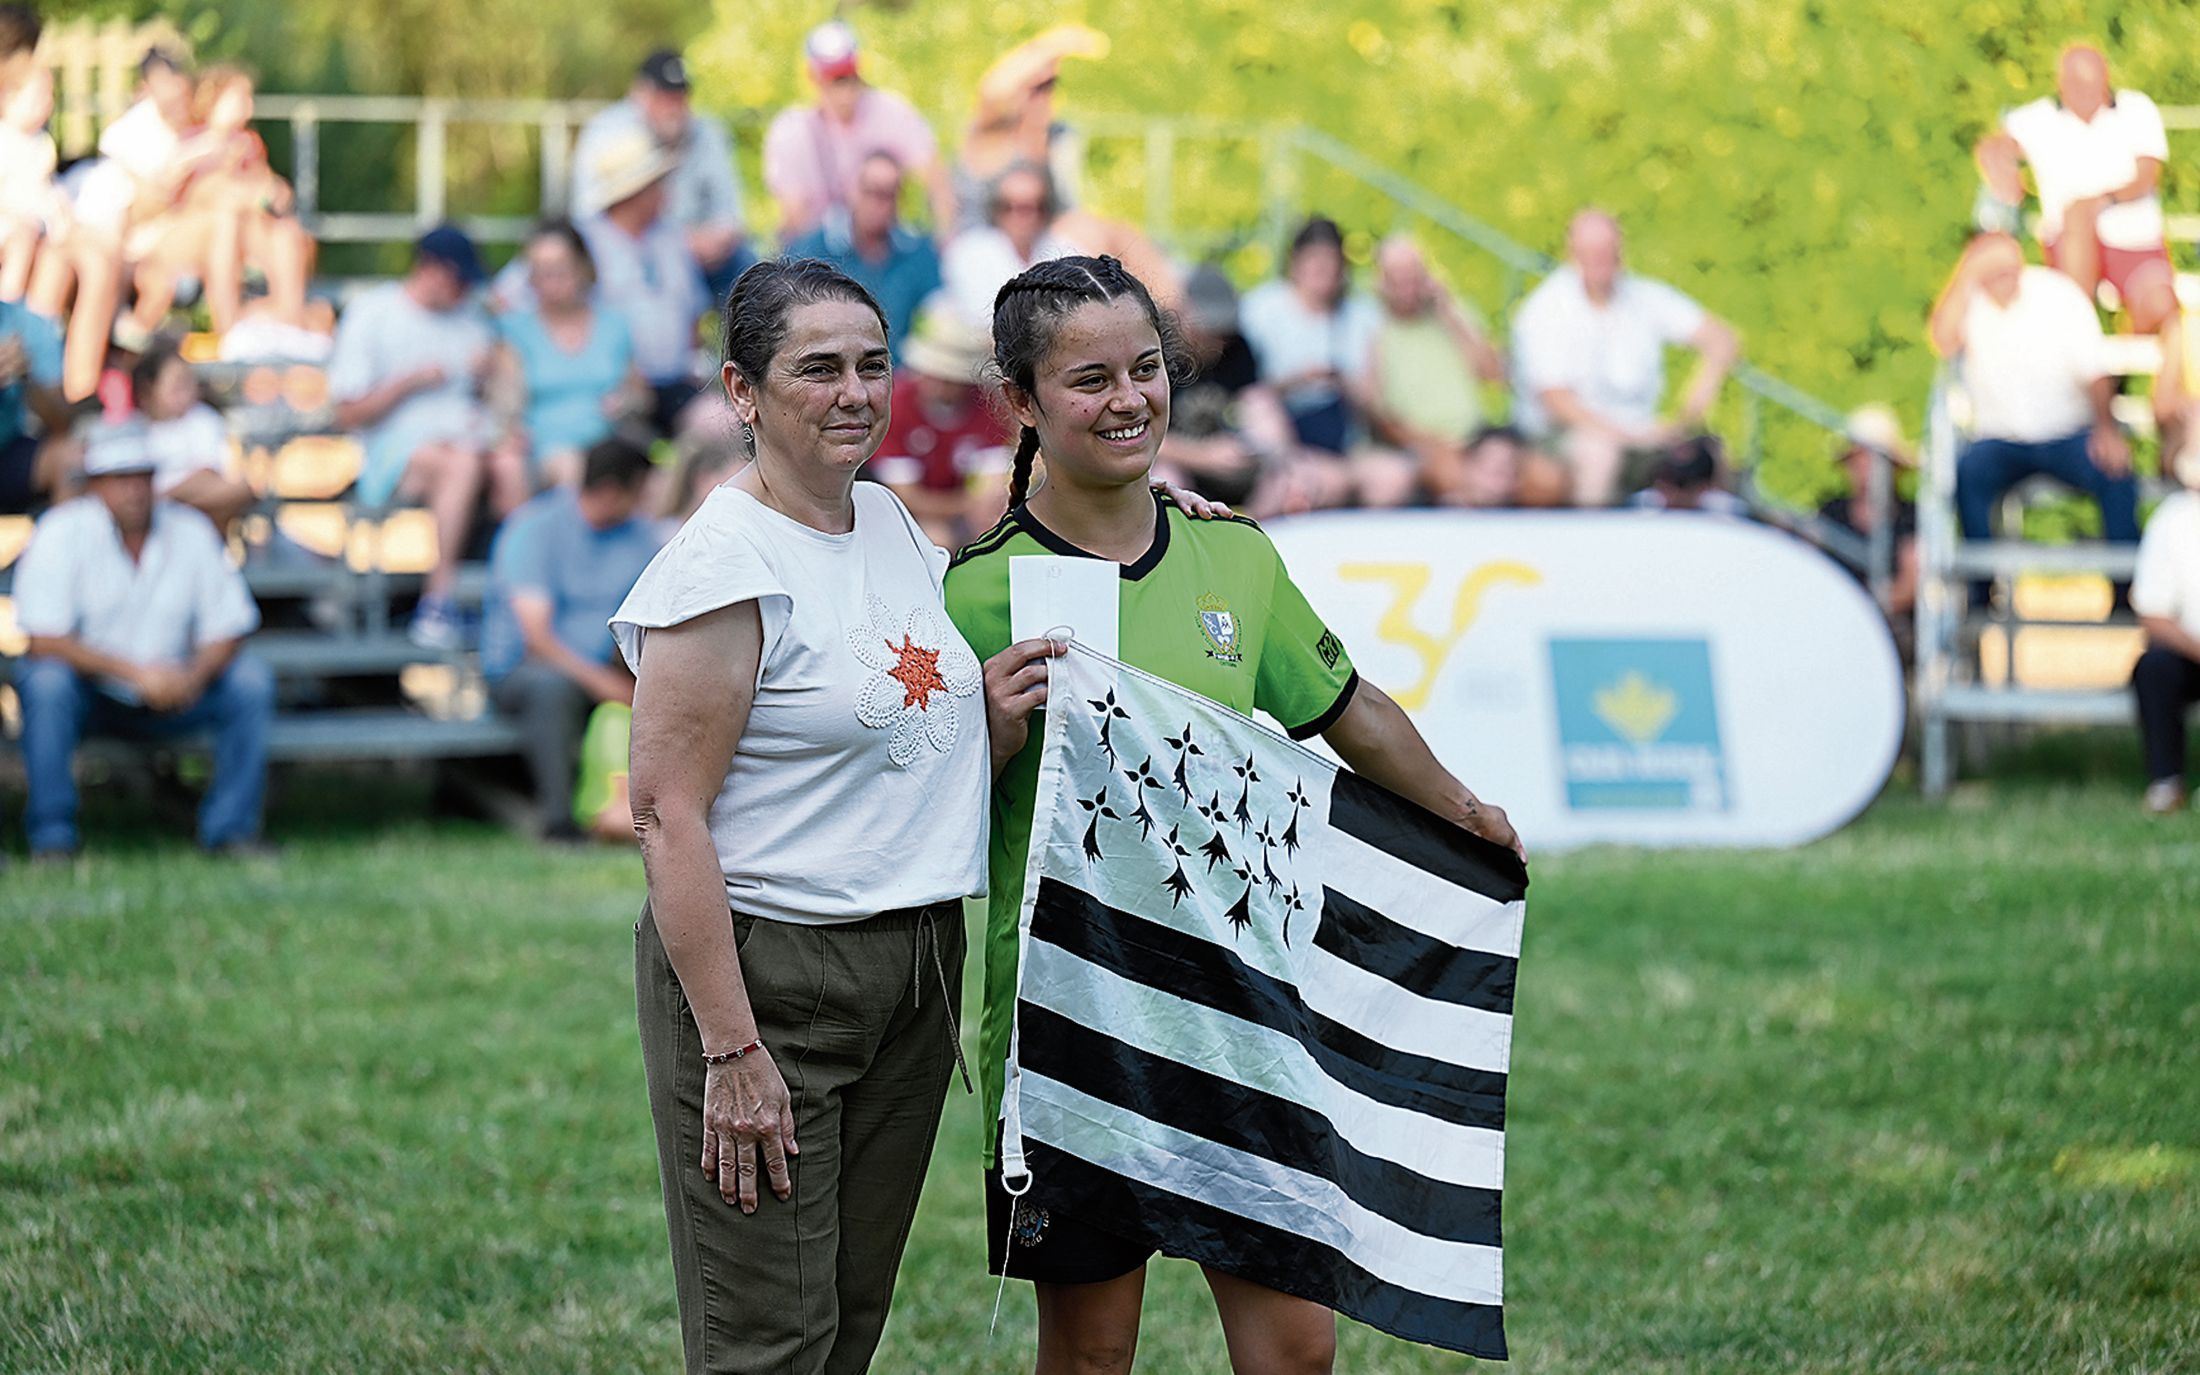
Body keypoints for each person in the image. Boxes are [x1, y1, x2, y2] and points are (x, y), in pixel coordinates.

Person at [943, 254, 1521, 1375]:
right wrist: (988, 734)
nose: (1128, 399)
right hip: (1068, 1018)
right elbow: (921, 810)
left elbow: (1349, 709)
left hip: (1239, 1009)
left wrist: (1462, 809)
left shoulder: (1235, 556)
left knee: (1296, 1350)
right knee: (1092, 1352)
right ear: (1022, 400)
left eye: (1145, 369)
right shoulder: (970, 592)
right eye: (1089, 379)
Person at [610, 258, 988, 1375]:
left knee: (847, 1324)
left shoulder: (886, 519)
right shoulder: (723, 566)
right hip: (770, 973)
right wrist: (731, 1046)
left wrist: (1160, 509)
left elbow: (902, 736)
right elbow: (665, 813)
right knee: (769, 1342)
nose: (855, 393)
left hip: (914, 966)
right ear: (742, 390)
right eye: (818, 369)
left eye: (873, 365)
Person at [11, 420, 273, 859]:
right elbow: (43, 639)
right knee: (45, 682)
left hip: (179, 688)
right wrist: (135, 674)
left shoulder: (190, 529)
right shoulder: (60, 531)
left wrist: (191, 675)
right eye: (119, 478)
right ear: (95, 484)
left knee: (250, 680)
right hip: (93, 694)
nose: (133, 490)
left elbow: (229, 626)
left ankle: (231, 829)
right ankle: (53, 838)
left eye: (141, 476)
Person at [1927, 232, 2137, 588]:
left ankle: (2126, 592)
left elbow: (2095, 371)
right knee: (1967, 474)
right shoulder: (1970, 304)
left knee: (2115, 471)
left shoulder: (2058, 296)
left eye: (2008, 268)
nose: (2004, 278)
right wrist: (1966, 275)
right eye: (1993, 270)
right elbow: (1942, 340)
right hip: (2001, 442)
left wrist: (2106, 429)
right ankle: (1981, 593)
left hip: (2070, 436)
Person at [479, 438, 662, 840]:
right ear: (612, 491)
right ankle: (559, 822)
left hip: (610, 667)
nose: (646, 504)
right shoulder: (535, 528)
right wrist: (607, 685)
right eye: (640, 493)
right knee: (552, 688)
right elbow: (537, 639)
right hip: (525, 671)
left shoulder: (641, 537)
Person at [327, 224, 500, 649]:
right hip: (390, 455)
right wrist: (409, 383)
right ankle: (438, 603)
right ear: (432, 269)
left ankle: (509, 604)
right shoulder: (373, 312)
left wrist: (489, 378)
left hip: (469, 443)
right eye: (459, 279)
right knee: (460, 463)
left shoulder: (472, 322)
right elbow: (347, 412)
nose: (465, 290)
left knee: (502, 462)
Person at [1512, 209, 1740, 507]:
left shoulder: (1644, 296)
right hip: (1560, 436)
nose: (1602, 260)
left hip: (1639, 431)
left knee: (1709, 455)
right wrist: (1630, 436)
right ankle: (1592, 531)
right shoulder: (1545, 309)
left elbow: (1720, 338)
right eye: (1592, 252)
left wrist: (1691, 410)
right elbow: (1557, 402)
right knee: (1599, 453)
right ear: (1572, 254)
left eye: (1608, 251)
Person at [1976, 44, 2171, 331]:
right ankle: (2078, 331)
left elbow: (2147, 176)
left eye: (2095, 84)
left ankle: (2119, 350)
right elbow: (1995, 147)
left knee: (2163, 309)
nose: (2090, 94)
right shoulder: (2037, 119)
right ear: (2062, 83)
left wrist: (2100, 201)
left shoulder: (2136, 108)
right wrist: (2003, 171)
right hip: (2069, 242)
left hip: (2135, 240)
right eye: (2079, 86)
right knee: (2076, 219)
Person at [574, 49, 751, 303]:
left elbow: (732, 209)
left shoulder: (709, 131)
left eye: (680, 97)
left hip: (700, 250)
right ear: (640, 93)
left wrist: (718, 237)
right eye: (664, 96)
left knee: (748, 270)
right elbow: (589, 215)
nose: (673, 107)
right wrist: (680, 242)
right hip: (634, 244)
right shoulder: (607, 132)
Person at [762, 21, 951, 240]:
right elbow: (794, 215)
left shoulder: (891, 112)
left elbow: (936, 180)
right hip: (818, 246)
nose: (845, 88)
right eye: (835, 79)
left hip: (881, 245)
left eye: (849, 75)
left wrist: (942, 241)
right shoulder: (792, 130)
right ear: (814, 78)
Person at [576, 128, 709, 436]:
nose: (666, 190)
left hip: (676, 381)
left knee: (718, 427)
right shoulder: (584, 240)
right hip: (612, 388)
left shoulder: (673, 237)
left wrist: (694, 364)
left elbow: (693, 309)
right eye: (656, 183)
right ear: (634, 192)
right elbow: (515, 296)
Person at [491, 220, 642, 490]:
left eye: (559, 270)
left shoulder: (614, 325)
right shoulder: (516, 330)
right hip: (544, 446)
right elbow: (506, 402)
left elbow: (640, 394)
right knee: (570, 467)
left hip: (609, 439)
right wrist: (510, 429)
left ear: (582, 268)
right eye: (540, 272)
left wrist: (625, 401)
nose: (549, 282)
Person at [1361, 234, 1505, 490]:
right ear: (1382, 282)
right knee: (1463, 478)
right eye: (1398, 279)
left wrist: (1448, 311)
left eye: (1414, 277)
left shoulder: (1451, 313)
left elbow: (1493, 373)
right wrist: (1430, 444)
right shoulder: (1372, 328)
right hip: (1420, 446)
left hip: (1476, 437)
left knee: (1537, 478)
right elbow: (1379, 415)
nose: (1408, 288)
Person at [867, 300, 1009, 546]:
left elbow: (992, 483)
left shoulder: (986, 406)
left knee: (995, 530)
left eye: (948, 377)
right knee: (937, 539)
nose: (937, 383)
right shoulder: (895, 405)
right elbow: (907, 498)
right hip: (898, 515)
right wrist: (969, 504)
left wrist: (982, 508)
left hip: (960, 509)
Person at [783, 151, 942, 358]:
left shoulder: (917, 253)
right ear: (853, 191)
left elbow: (937, 316)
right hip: (830, 365)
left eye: (889, 194)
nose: (879, 203)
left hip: (902, 368)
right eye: (871, 191)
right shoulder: (813, 250)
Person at [953, 25, 1106, 231]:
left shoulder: (1058, 136)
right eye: (1035, 88)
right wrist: (1054, 45)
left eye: (1050, 85)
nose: (1043, 96)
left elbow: (1068, 214)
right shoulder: (993, 135)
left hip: (1045, 242)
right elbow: (992, 92)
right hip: (985, 239)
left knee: (1112, 233)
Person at [1818, 403, 1920, 642]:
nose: (1863, 468)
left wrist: (1863, 610)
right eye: (1857, 459)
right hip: (1836, 626)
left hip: (1889, 629)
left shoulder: (1912, 516)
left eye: (1871, 459)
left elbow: (1911, 583)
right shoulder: (1831, 513)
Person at [2132, 476, 2200, 815]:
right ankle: (2167, 782)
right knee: (2155, 667)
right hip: (2189, 651)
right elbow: (2152, 611)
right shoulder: (2172, 519)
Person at [133, 339, 254, 529]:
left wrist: (161, 499)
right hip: (151, 515)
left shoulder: (204, 419)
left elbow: (209, 474)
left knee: (238, 490)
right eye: (177, 386)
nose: (187, 393)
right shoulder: (132, 426)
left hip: (199, 505)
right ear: (149, 389)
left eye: (189, 383)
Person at [940, 162, 1075, 326]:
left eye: (1036, 206)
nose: (1024, 216)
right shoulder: (967, 252)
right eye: (1010, 207)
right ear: (995, 209)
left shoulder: (1064, 251)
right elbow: (979, 318)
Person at [0, 289, 67, 513]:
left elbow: (62, 423)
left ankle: (65, 534)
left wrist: (28, 379)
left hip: (8, 452)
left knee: (70, 460)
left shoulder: (30, 324)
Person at [1624, 433, 1751, 517]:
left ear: (1704, 487)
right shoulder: (1636, 508)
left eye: (1681, 484)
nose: (1672, 495)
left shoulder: (1731, 514)